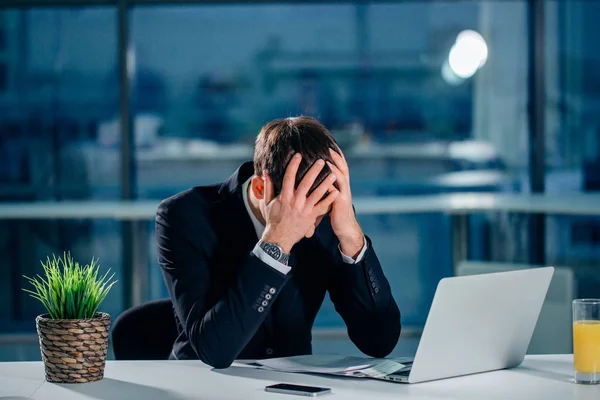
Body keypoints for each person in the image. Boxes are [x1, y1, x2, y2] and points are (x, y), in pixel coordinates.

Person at [156, 116, 401, 368]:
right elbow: (214, 351)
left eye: (318, 217)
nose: (309, 232)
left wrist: (352, 237)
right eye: (301, 213)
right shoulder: (182, 216)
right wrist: (277, 242)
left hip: (293, 386)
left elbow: (380, 341)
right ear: (261, 189)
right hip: (200, 382)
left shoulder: (329, 216)